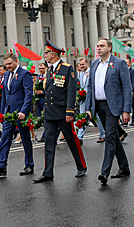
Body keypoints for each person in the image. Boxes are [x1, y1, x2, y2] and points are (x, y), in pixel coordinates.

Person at [33, 40, 87, 183]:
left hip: (63, 112)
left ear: (53, 54)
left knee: (71, 140)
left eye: (46, 53)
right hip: (50, 112)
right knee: (49, 143)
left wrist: (70, 111)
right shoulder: (49, 70)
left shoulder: (67, 68)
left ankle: (81, 166)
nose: (44, 55)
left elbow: (71, 91)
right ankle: (47, 172)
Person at [86, 38, 131, 185]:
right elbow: (90, 88)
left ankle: (104, 172)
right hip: (99, 106)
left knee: (110, 137)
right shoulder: (94, 64)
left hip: (113, 106)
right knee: (114, 138)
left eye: (102, 46)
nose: (98, 48)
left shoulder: (119, 63)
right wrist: (88, 108)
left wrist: (126, 110)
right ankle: (124, 167)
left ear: (109, 48)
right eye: (97, 46)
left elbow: (127, 88)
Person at [0, 53, 34, 177]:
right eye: (6, 64)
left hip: (21, 113)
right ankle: (1, 166)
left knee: (25, 139)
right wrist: (2, 112)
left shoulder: (25, 74)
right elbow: (5, 95)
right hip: (9, 113)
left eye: (10, 63)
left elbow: (29, 94)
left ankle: (29, 165)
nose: (8, 66)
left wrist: (24, 111)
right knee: (4, 139)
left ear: (16, 61)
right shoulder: (7, 74)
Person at [76, 58, 90, 144]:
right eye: (80, 64)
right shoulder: (80, 74)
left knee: (98, 116)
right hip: (83, 97)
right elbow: (81, 86)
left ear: (87, 64)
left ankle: (103, 134)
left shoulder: (91, 72)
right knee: (82, 116)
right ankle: (79, 137)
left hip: (91, 96)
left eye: (83, 64)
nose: (81, 66)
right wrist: (79, 94)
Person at [35, 63, 47, 142]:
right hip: (39, 100)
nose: (41, 70)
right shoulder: (39, 77)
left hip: (45, 100)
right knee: (41, 119)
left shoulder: (47, 76)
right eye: (39, 68)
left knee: (46, 119)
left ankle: (44, 135)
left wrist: (43, 92)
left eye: (42, 68)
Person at [126, 58, 134, 126]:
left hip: (131, 92)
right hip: (125, 92)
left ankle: (133, 121)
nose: (125, 63)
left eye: (127, 62)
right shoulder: (123, 71)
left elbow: (133, 82)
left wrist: (132, 91)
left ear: (130, 64)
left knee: (133, 107)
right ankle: (125, 121)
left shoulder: (132, 71)